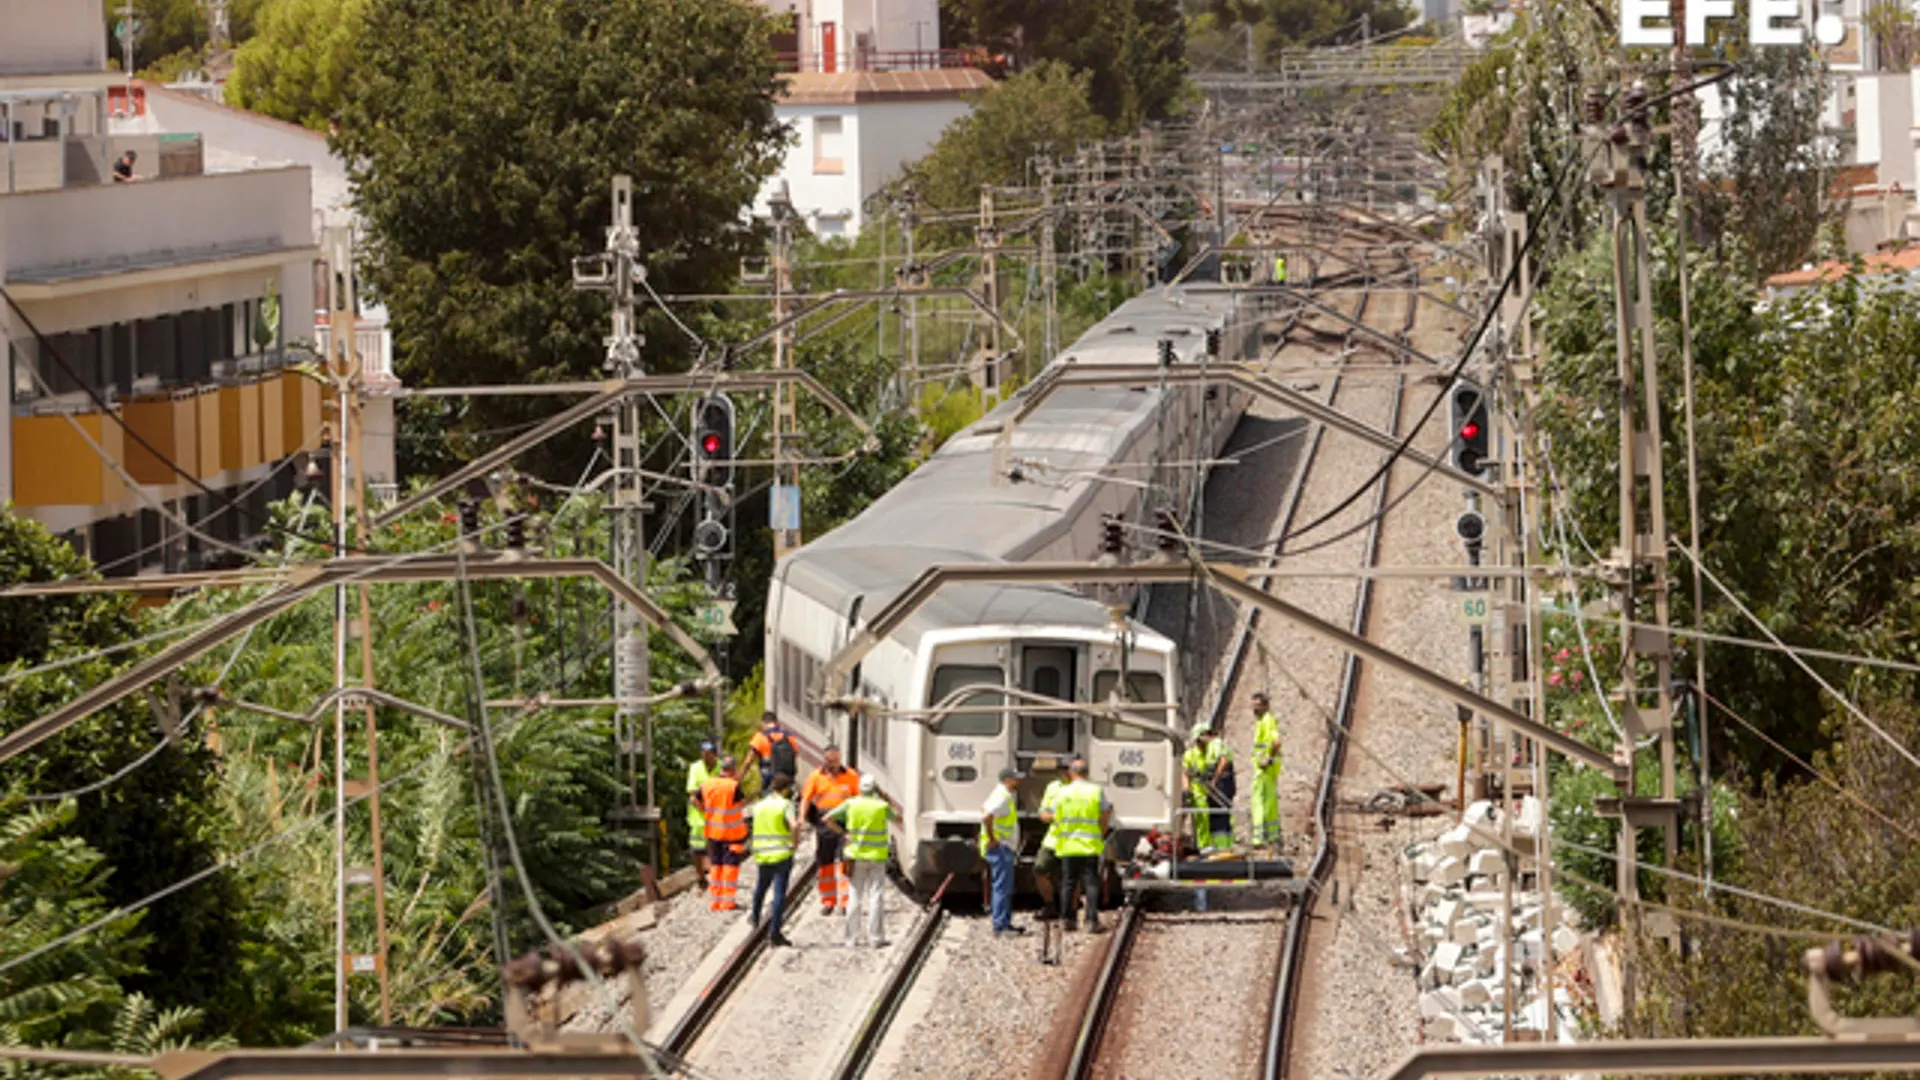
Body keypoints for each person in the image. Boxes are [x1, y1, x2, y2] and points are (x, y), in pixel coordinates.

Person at [827, 774, 898, 948]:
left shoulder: (851, 803)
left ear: (860, 788)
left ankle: (851, 939)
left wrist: (843, 833)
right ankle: (876, 938)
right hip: (877, 857)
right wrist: (884, 796)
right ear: (874, 789)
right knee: (876, 896)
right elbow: (898, 818)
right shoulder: (881, 806)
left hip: (855, 856)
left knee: (854, 896)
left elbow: (827, 818)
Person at [1040, 757, 1110, 932]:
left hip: (1068, 844)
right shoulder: (1096, 790)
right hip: (1090, 844)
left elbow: (1053, 815)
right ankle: (1091, 921)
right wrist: (1101, 832)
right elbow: (1105, 814)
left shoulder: (1063, 792)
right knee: (1091, 884)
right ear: (1086, 773)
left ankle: (1066, 919)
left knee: (1068, 882)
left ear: (1071, 773)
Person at [799, 745, 860, 914]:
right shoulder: (816, 776)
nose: (832, 764)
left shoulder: (851, 776)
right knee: (825, 864)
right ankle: (828, 901)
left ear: (840, 760)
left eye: (835, 761)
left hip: (845, 824)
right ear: (824, 759)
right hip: (824, 824)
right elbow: (806, 798)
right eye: (829, 761)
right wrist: (801, 817)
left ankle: (845, 902)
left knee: (844, 862)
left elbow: (858, 800)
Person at [747, 773, 798, 947]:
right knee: (778, 895)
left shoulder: (759, 805)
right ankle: (774, 934)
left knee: (761, 887)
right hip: (781, 854)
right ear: (785, 790)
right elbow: (794, 825)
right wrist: (794, 843)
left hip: (763, 854)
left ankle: (755, 917)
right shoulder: (786, 805)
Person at [980, 766, 1025, 937]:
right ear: (1007, 780)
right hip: (1000, 848)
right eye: (1015, 778)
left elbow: (983, 809)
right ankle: (1000, 925)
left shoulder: (1000, 794)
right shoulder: (1002, 796)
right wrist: (992, 838)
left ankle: (1004, 923)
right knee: (1002, 888)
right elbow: (986, 816)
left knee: (1003, 887)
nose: (1018, 781)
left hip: (1002, 847)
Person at [699, 756, 747, 912]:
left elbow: (694, 798)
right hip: (731, 834)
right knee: (730, 867)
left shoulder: (707, 784)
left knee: (716, 865)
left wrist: (705, 811)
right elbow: (741, 804)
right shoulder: (733, 787)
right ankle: (728, 902)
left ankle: (715, 901)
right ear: (732, 770)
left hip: (713, 832)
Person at [1250, 692, 1283, 851]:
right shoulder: (1262, 721)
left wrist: (1268, 759)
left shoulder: (1267, 721)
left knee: (1259, 801)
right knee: (1270, 802)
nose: (1254, 708)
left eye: (1258, 705)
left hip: (1264, 769)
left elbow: (1276, 742)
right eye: (1253, 704)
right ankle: (1272, 835)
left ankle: (1259, 837)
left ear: (1265, 706)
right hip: (1267, 769)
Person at [1033, 769, 1067, 918]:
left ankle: (1069, 911)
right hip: (1052, 839)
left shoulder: (1084, 788)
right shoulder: (1053, 787)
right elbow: (1043, 813)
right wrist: (1054, 816)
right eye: (1063, 769)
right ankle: (1049, 904)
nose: (1065, 772)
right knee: (1039, 868)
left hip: (1075, 840)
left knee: (1073, 876)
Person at [685, 740, 719, 888]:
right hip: (699, 817)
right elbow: (692, 793)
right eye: (703, 754)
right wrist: (704, 809)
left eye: (709, 754)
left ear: (715, 755)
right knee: (697, 849)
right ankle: (700, 877)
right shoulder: (695, 768)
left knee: (715, 846)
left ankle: (715, 875)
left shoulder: (720, 767)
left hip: (718, 814)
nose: (705, 757)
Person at [1182, 726, 1218, 852]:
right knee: (1202, 817)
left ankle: (1212, 844)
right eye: (1205, 735)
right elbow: (1185, 773)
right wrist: (1187, 789)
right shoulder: (1190, 755)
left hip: (1211, 792)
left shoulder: (1211, 752)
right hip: (1198, 792)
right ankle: (1204, 845)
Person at [1203, 724, 1236, 852]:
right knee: (1222, 815)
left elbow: (1223, 760)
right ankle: (1225, 846)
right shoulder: (1216, 745)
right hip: (1224, 784)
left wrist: (1214, 780)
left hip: (1222, 785)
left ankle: (1221, 848)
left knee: (1219, 815)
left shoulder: (1216, 744)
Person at [748, 712, 798, 794]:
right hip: (787, 778)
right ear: (776, 722)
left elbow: (748, 760)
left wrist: (740, 776)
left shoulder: (760, 737)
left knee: (768, 800)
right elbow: (795, 754)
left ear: (763, 723)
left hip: (769, 777)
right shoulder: (788, 735)